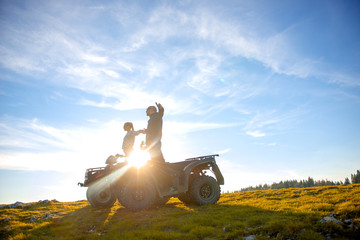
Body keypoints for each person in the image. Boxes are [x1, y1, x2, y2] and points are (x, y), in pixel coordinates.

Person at [144, 102, 174, 192]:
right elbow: (151, 131)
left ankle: (170, 186)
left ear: (152, 110)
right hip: (151, 145)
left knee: (160, 166)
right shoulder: (151, 119)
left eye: (147, 110)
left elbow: (161, 114)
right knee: (157, 166)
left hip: (155, 145)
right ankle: (163, 186)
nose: (146, 111)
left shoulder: (156, 116)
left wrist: (161, 108)